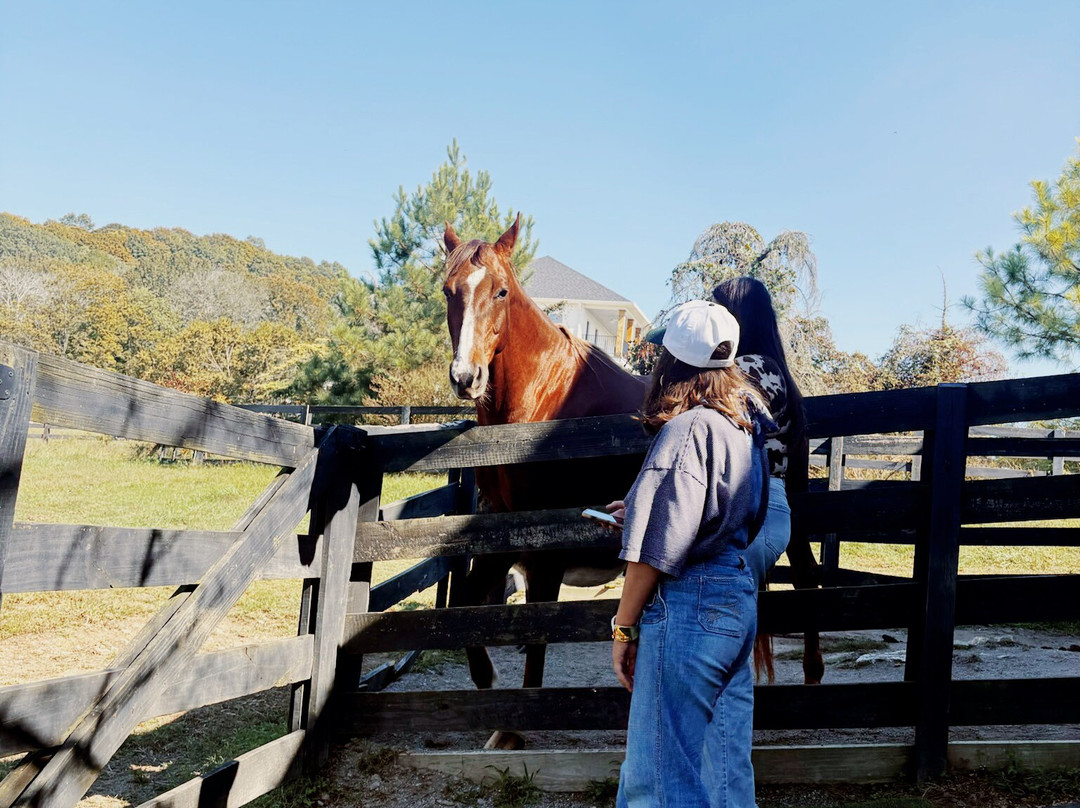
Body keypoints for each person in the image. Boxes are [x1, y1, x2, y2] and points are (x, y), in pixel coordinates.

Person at [608, 299, 771, 808]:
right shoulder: (743, 428)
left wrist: (624, 626)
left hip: (689, 607)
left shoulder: (685, 430)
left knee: (658, 781)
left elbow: (656, 553)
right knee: (717, 769)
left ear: (671, 364)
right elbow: (738, 513)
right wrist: (640, 506)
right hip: (735, 600)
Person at [709, 276, 809, 593]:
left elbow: (707, 423)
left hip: (751, 506)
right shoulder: (761, 366)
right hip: (748, 506)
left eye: (720, 311)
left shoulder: (751, 369)